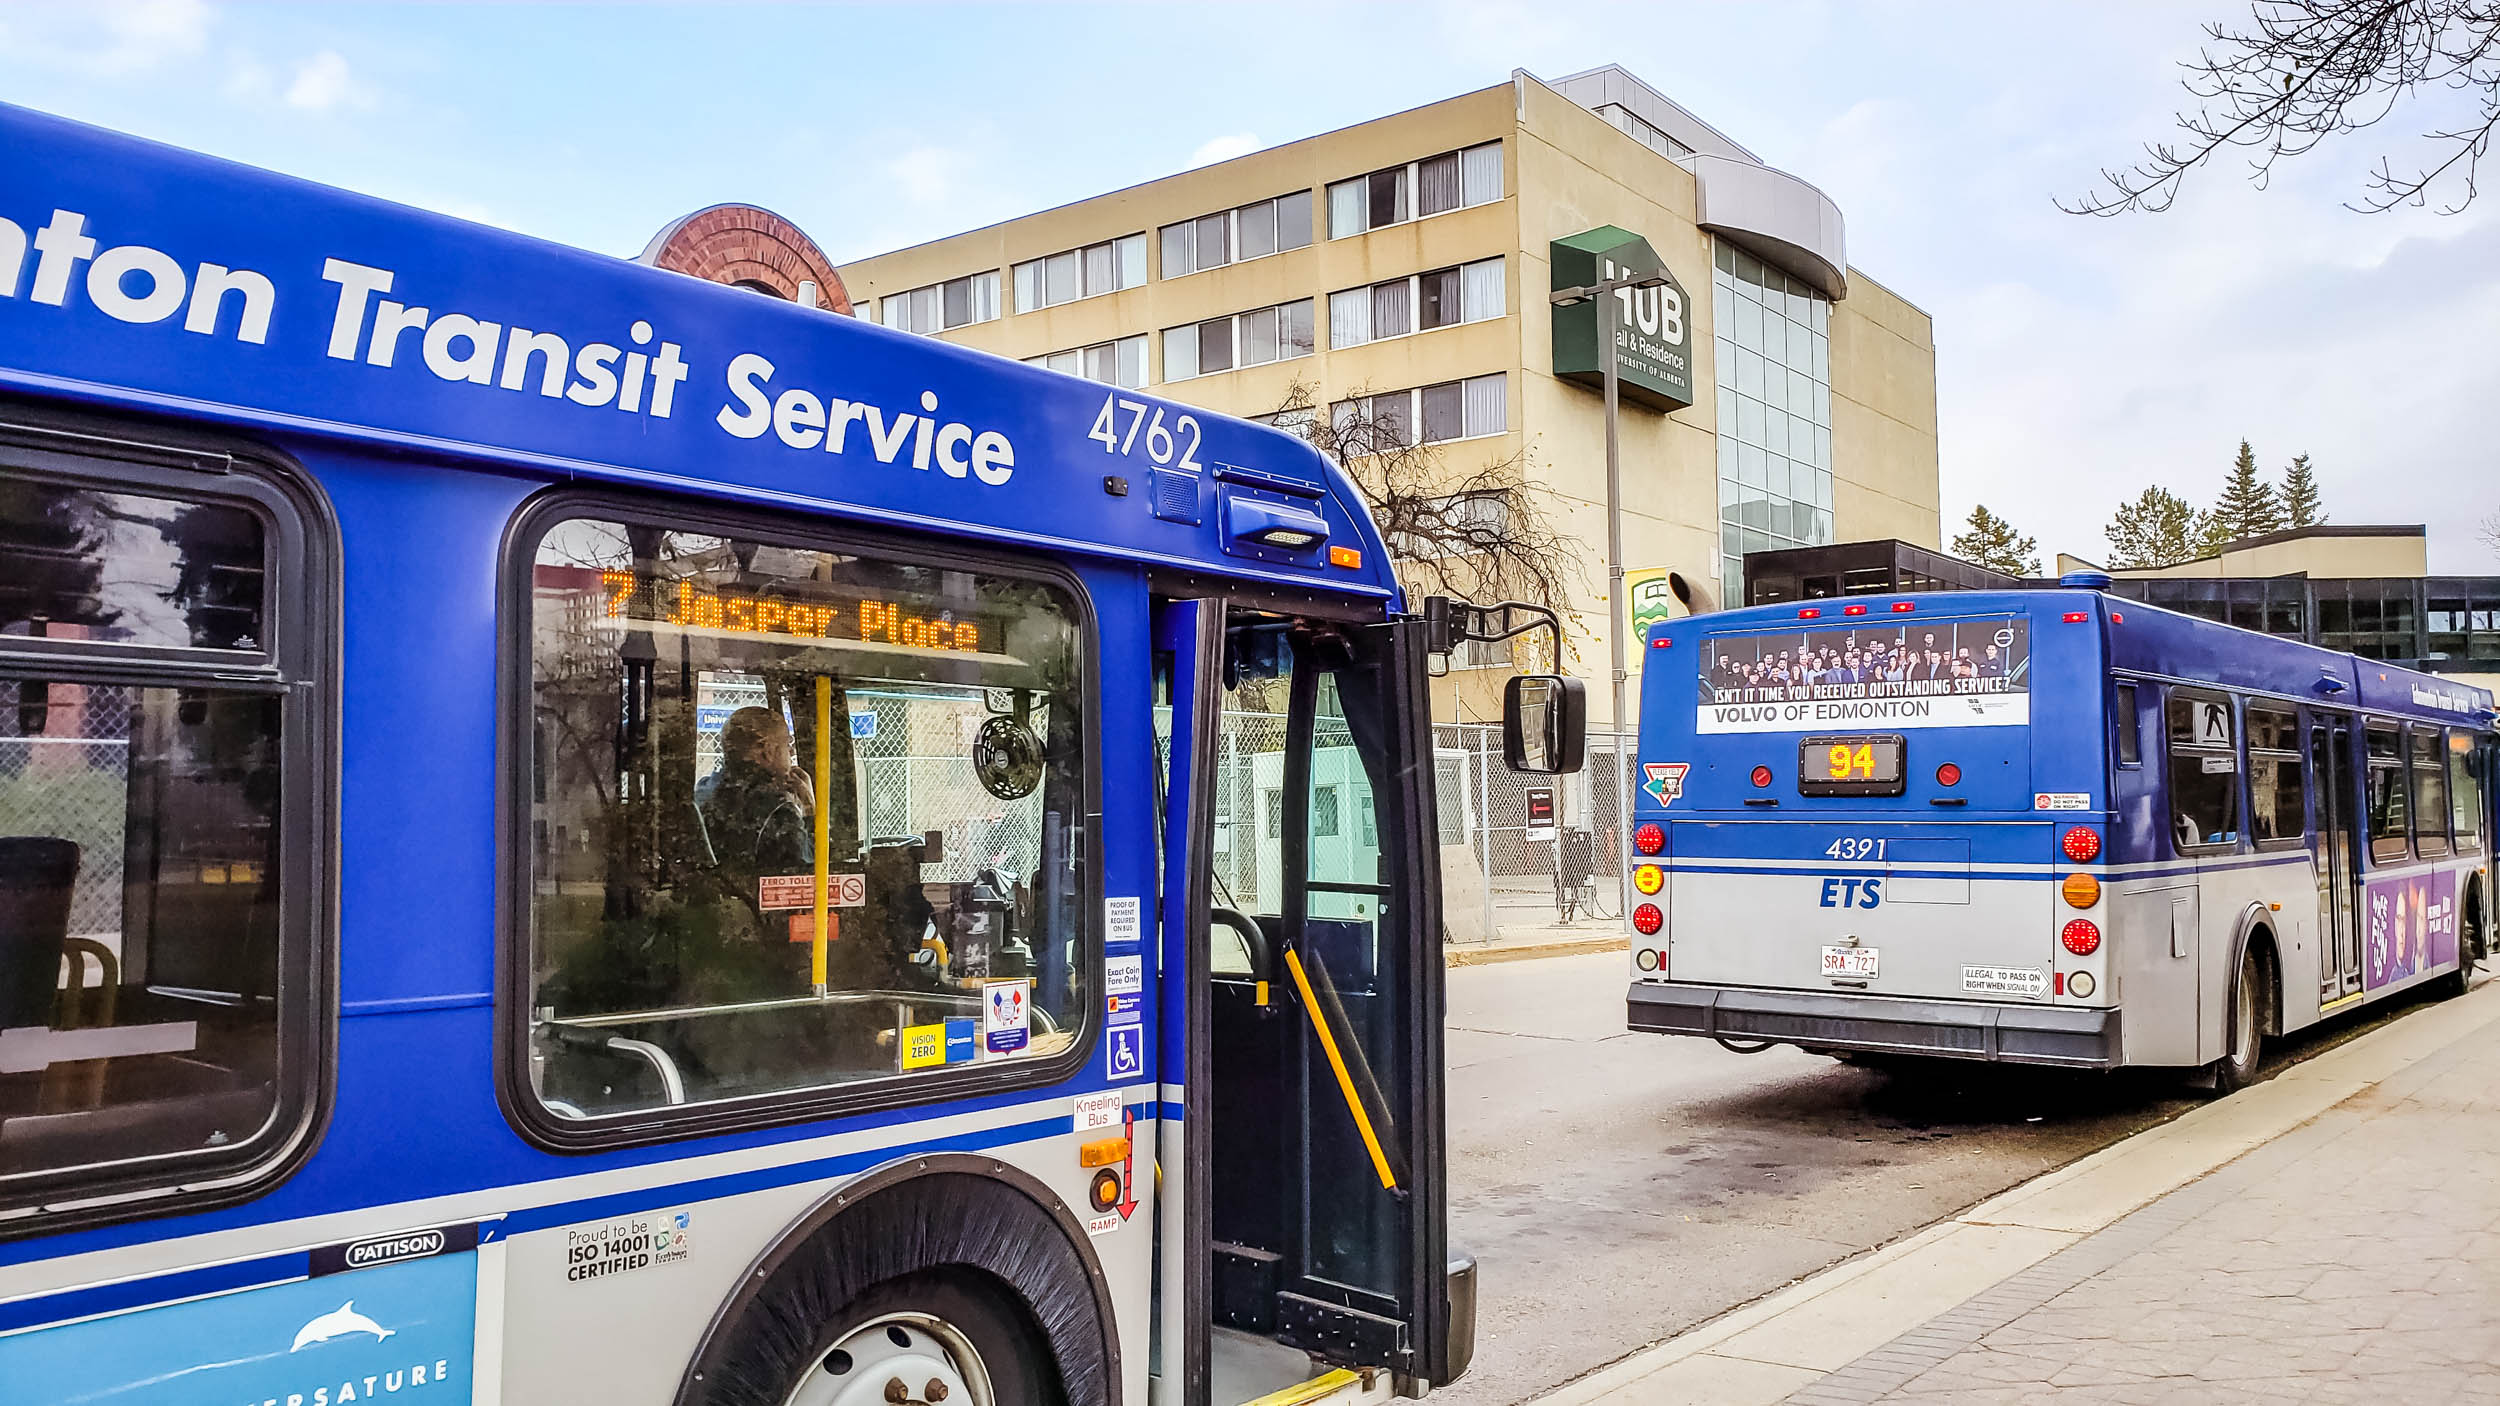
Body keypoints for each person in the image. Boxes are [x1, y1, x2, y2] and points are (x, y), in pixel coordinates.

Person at [702, 706, 815, 903]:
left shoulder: (704, 791)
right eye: (787, 744)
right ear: (767, 751)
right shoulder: (777, 810)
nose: (791, 751)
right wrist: (809, 809)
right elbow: (808, 877)